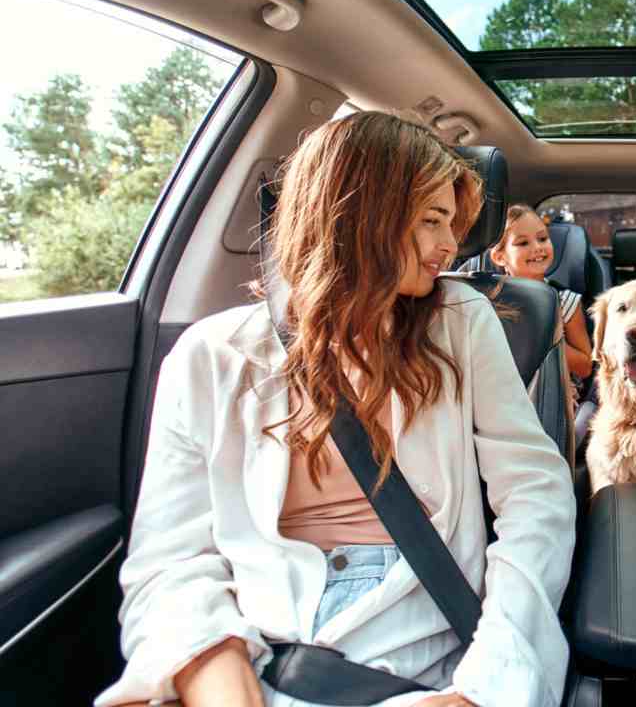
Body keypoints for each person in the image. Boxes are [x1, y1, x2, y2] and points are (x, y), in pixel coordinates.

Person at [97, 111, 576, 707]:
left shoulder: (462, 322)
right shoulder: (210, 355)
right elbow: (169, 560)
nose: (450, 246)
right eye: (431, 221)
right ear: (355, 213)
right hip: (255, 645)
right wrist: (216, 672)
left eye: (452, 223)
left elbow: (536, 496)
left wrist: (488, 683)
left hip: (420, 656)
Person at [487, 204, 594, 388]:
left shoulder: (565, 301)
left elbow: (585, 367)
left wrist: (544, 341)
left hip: (554, 394)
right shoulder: (489, 302)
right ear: (499, 257)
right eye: (523, 243)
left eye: (543, 238)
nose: (537, 247)